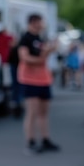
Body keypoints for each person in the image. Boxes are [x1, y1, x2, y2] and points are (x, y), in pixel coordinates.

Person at [18, 14, 60, 154]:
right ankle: (30, 141)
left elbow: (43, 55)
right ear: (34, 22)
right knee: (32, 112)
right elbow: (25, 58)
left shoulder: (40, 38)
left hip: (43, 79)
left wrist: (50, 50)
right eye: (40, 22)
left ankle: (45, 139)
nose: (42, 25)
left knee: (44, 112)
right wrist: (43, 56)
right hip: (30, 80)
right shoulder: (25, 38)